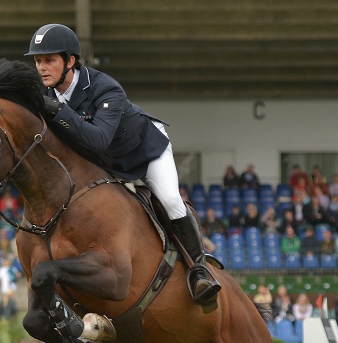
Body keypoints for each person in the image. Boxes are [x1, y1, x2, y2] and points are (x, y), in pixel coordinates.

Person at [26, 24, 219, 306]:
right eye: (38, 61)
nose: (42, 68)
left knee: (170, 200)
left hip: (144, 152)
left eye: (49, 60)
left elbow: (99, 140)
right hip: (108, 166)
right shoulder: (46, 95)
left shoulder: (105, 87)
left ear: (69, 62)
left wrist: (59, 110)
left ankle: (199, 271)